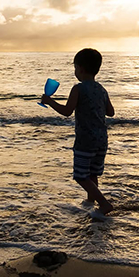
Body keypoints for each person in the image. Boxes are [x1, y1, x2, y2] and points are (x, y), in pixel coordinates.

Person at [41, 48, 115, 216]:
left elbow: (67, 111)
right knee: (93, 173)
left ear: (80, 68)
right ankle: (91, 200)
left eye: (75, 68)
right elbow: (111, 112)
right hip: (102, 139)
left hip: (85, 140)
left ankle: (104, 203)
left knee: (81, 176)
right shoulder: (102, 89)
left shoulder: (78, 89)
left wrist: (49, 101)